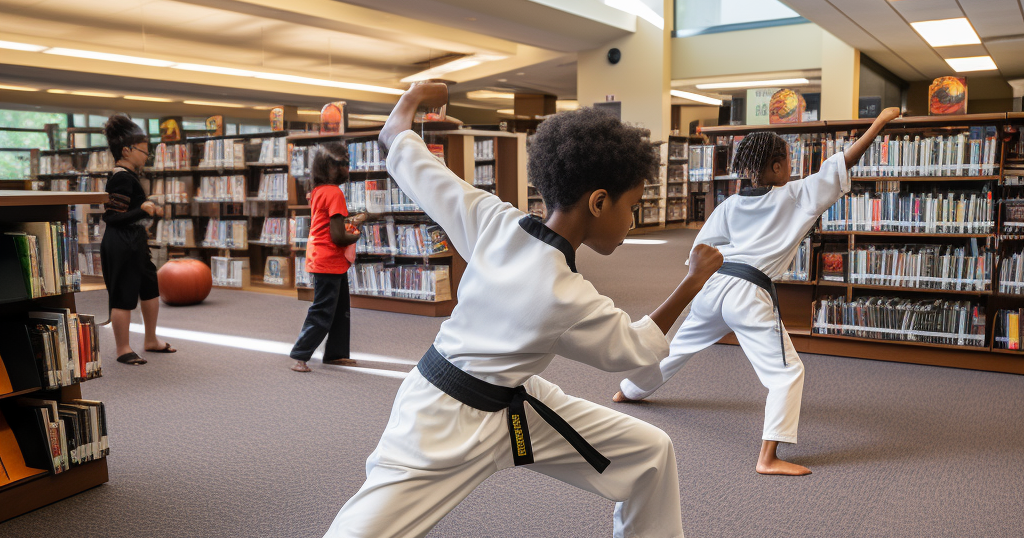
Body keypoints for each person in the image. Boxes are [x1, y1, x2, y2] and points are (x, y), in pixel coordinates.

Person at [321, 82, 723, 538]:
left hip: (514, 402)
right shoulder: (563, 294)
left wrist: (406, 115)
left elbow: (416, 163)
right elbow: (635, 350)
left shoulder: (494, 220)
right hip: (443, 419)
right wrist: (693, 280)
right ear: (598, 201)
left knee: (648, 453)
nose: (631, 221)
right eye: (631, 207)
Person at [614, 107, 904, 476]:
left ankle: (629, 391)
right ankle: (768, 458)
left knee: (678, 347)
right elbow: (842, 162)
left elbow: (699, 255)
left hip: (712, 287)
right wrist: (877, 125)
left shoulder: (729, 205)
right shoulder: (797, 195)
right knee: (786, 373)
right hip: (748, 293)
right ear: (779, 168)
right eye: (788, 159)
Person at [100, 114, 175, 365]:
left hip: (135, 242)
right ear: (127, 150)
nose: (147, 156)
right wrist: (144, 209)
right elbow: (112, 217)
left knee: (150, 288)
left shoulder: (129, 176)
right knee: (124, 294)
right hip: (122, 244)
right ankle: (123, 349)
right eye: (144, 151)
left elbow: (132, 212)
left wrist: (149, 210)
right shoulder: (121, 176)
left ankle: (150, 339)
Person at [290, 142, 366, 373]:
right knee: (323, 309)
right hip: (329, 260)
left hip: (323, 258)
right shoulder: (334, 193)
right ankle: (301, 355)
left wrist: (353, 221)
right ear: (328, 167)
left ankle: (336, 354)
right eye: (342, 165)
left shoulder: (318, 191)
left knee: (341, 309)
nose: (346, 169)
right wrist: (358, 229)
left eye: (347, 164)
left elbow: (330, 225)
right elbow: (339, 236)